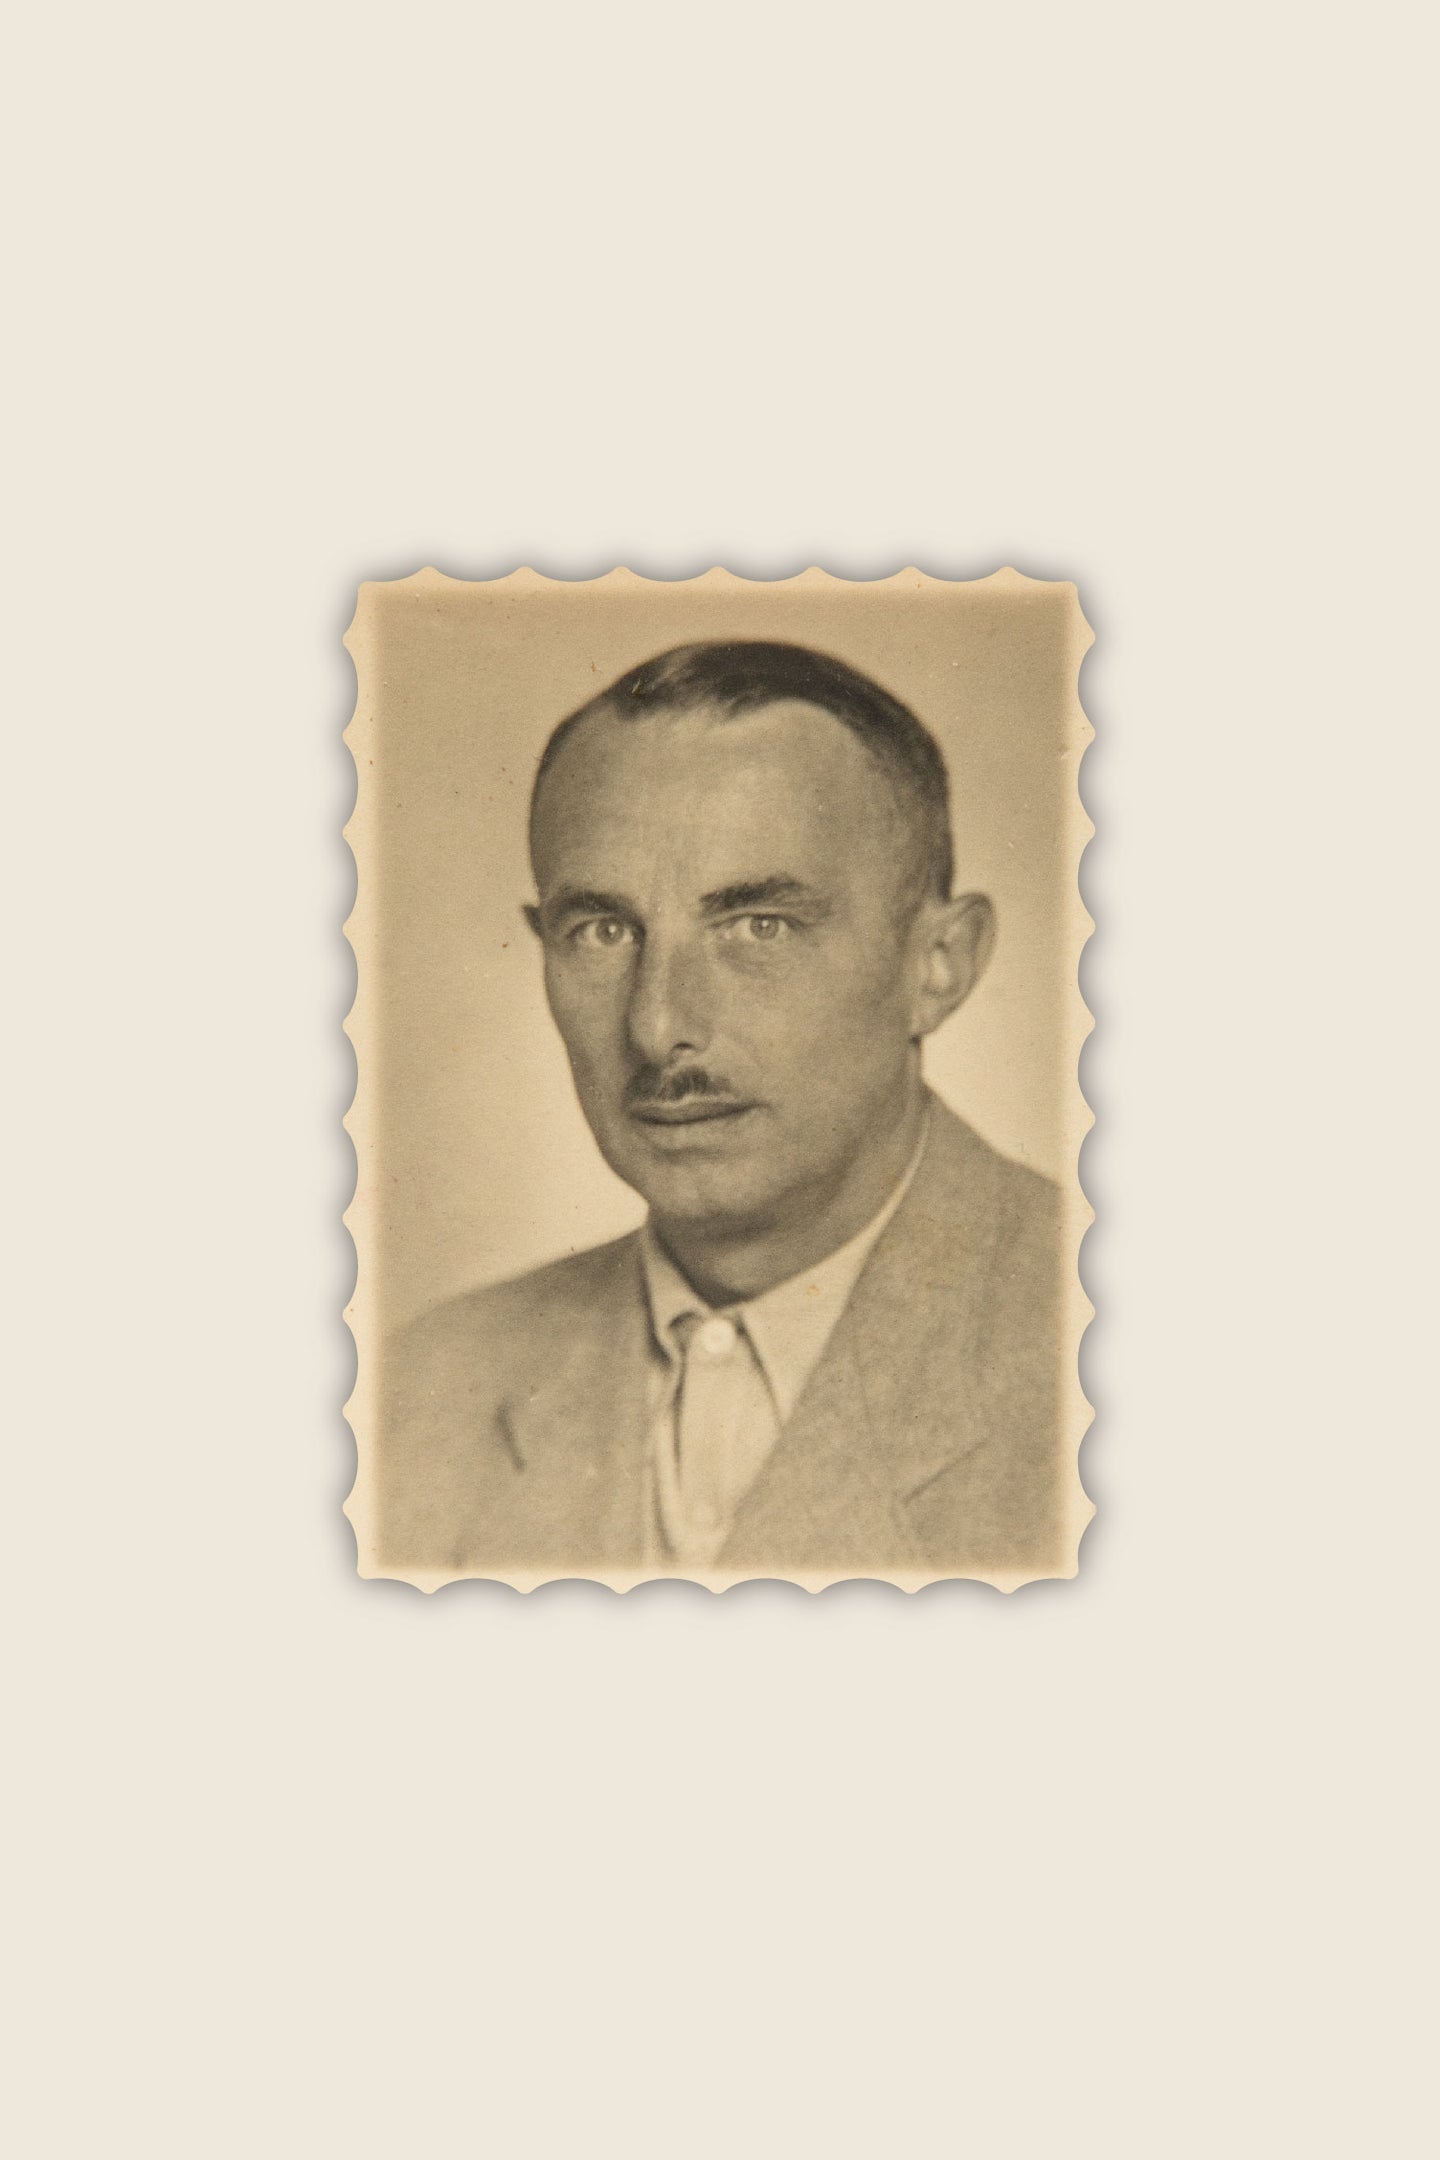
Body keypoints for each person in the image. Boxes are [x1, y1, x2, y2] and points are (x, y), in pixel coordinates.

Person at [376, 640, 1076, 1583]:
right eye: (604, 931)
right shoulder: (418, 1393)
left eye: (760, 926)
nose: (658, 1026)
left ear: (938, 966)